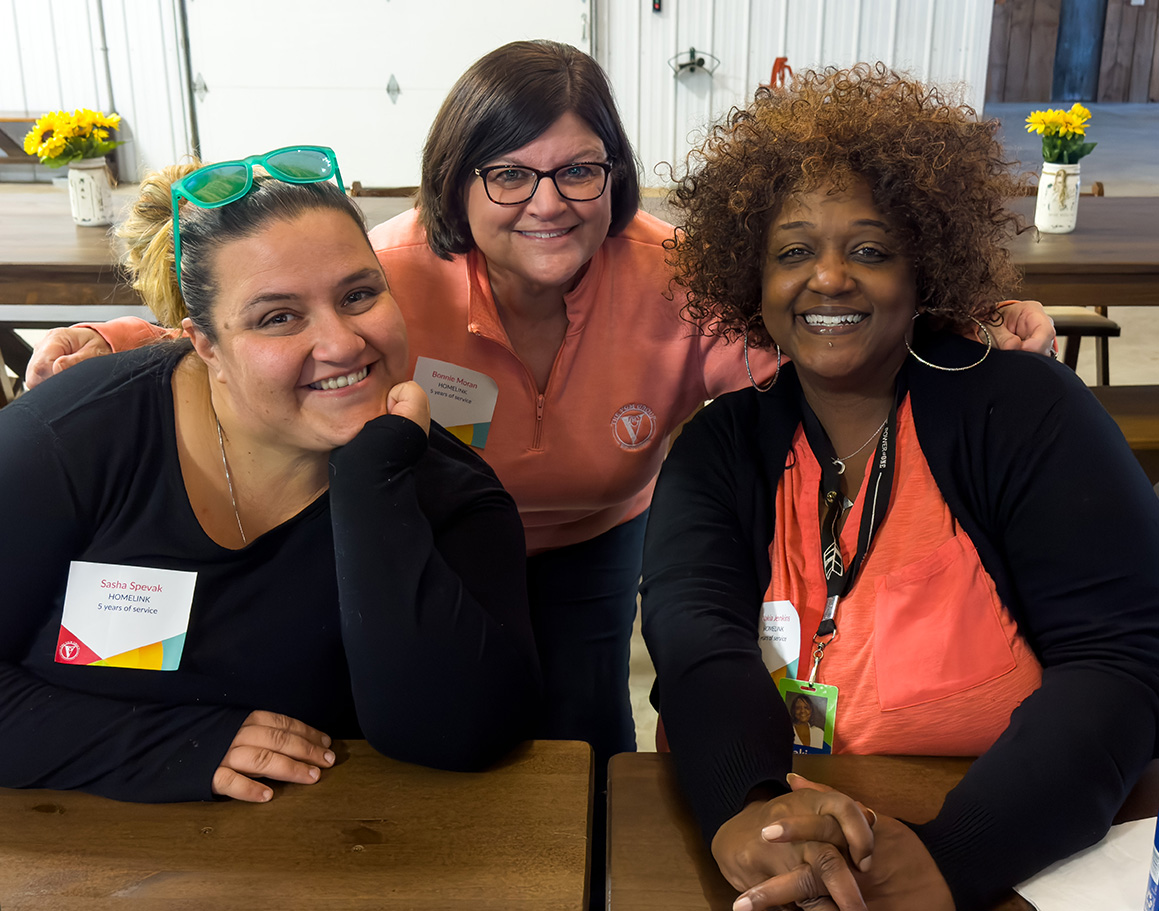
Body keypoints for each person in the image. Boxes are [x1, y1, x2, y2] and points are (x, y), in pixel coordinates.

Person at [22, 43, 1055, 772]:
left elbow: (815, 338)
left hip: (593, 540)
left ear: (614, 176)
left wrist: (962, 319)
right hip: (418, 530)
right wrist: (119, 341)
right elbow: (255, 328)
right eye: (507, 172)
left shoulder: (675, 275)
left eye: (578, 169)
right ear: (456, 185)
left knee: (586, 731)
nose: (546, 199)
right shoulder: (386, 275)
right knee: (425, 731)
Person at [640, 64, 1159, 911]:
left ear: (925, 270)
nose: (830, 278)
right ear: (754, 282)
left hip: (1021, 850)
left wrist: (951, 860)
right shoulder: (720, 445)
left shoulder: (1022, 411)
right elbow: (692, 637)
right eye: (793, 251)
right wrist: (749, 808)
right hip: (775, 847)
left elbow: (1119, 661)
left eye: (871, 250)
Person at [0, 147, 541, 803]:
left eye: (359, 294)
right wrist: (176, 745)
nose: (342, 343)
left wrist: (371, 483)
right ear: (204, 344)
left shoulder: (451, 493)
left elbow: (462, 733)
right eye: (277, 316)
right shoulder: (74, 437)